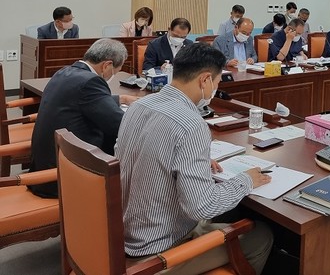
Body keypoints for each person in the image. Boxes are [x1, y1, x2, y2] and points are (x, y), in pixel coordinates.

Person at [116, 43, 273, 275]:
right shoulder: (192, 125)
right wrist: (246, 180)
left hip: (123, 233)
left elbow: (129, 153)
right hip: (159, 251)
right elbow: (202, 207)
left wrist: (188, 160)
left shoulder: (138, 106)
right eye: (217, 83)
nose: (215, 89)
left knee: (228, 213)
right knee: (261, 235)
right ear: (205, 79)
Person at [29, 38, 138, 198]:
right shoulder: (91, 82)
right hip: (62, 177)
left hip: (44, 164)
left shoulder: (65, 72)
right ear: (107, 65)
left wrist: (121, 98)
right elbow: (117, 123)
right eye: (116, 72)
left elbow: (83, 99)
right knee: (125, 145)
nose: (113, 76)